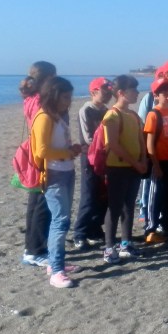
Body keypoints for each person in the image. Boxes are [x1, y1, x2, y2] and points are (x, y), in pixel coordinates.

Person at [30, 77, 83, 288]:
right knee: (60, 221)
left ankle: (55, 263)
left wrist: (71, 151)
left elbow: (57, 145)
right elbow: (41, 151)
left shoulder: (58, 116)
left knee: (60, 220)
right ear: (53, 95)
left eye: (70, 97)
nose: (68, 101)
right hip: (53, 175)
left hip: (66, 171)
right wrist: (66, 153)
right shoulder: (44, 117)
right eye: (65, 97)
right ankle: (56, 270)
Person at [102, 75, 147, 264]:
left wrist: (144, 159)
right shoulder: (112, 115)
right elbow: (113, 144)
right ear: (121, 93)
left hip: (134, 167)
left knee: (129, 206)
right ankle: (109, 247)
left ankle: (126, 243)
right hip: (117, 167)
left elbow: (141, 140)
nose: (137, 93)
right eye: (133, 90)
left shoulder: (134, 115)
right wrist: (135, 162)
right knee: (114, 207)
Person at [21, 61, 57, 267]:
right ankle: (36, 249)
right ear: (47, 78)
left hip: (34, 153)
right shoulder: (39, 101)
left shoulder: (30, 97)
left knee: (35, 202)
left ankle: (31, 248)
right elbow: (42, 130)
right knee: (42, 204)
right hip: (41, 155)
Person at [72, 77, 113, 249]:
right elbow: (88, 137)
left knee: (103, 195)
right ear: (94, 91)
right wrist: (106, 144)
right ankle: (79, 232)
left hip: (105, 157)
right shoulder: (86, 110)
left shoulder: (107, 111)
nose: (108, 93)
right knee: (89, 195)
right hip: (89, 157)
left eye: (109, 90)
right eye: (105, 90)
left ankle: (94, 229)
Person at [143, 78, 168, 243]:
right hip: (160, 161)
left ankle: (167, 225)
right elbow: (149, 143)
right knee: (156, 196)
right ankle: (150, 229)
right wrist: (156, 165)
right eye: (164, 94)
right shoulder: (154, 114)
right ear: (156, 95)